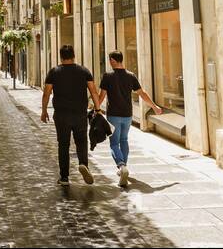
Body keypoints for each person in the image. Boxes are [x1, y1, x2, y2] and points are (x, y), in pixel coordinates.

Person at [94, 51, 164, 188]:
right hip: (127, 115)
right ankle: (123, 168)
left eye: (110, 60)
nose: (109, 62)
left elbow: (101, 96)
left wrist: (95, 109)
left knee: (114, 143)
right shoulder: (131, 76)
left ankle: (121, 166)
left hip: (113, 115)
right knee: (124, 140)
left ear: (113, 60)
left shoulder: (107, 76)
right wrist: (154, 107)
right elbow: (142, 93)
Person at [40, 44, 101, 186]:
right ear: (74, 55)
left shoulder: (54, 72)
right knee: (81, 141)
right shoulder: (84, 71)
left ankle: (64, 177)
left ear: (61, 56)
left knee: (63, 145)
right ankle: (83, 164)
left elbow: (46, 93)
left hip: (61, 115)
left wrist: (44, 111)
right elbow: (93, 91)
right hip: (80, 114)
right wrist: (98, 109)